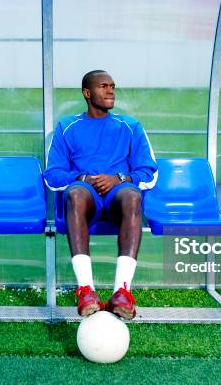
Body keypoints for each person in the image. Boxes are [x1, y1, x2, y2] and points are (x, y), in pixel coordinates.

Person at [44, 70, 158, 319]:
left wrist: (119, 178)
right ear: (87, 93)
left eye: (113, 86)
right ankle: (86, 290)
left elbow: (149, 172)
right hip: (87, 197)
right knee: (74, 194)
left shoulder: (130, 126)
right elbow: (53, 175)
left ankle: (122, 292)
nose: (110, 91)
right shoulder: (67, 127)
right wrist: (83, 178)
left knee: (132, 196)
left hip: (118, 195)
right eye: (103, 86)